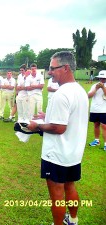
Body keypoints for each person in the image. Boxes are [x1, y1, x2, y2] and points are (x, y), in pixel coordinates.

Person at [27, 51, 88, 225]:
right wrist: (48, 115)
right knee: (70, 186)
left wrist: (36, 126)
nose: (50, 72)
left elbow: (58, 127)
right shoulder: (80, 91)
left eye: (53, 68)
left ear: (66, 68)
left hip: (56, 154)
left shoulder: (61, 93)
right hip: (73, 154)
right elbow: (70, 117)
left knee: (57, 196)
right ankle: (73, 220)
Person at [87, 70, 106, 151]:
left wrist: (103, 87)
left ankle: (105, 144)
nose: (101, 80)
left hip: (104, 110)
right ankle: (96, 140)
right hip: (94, 109)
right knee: (96, 125)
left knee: (104, 126)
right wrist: (96, 88)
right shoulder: (95, 85)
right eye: (100, 78)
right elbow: (89, 95)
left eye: (103, 78)